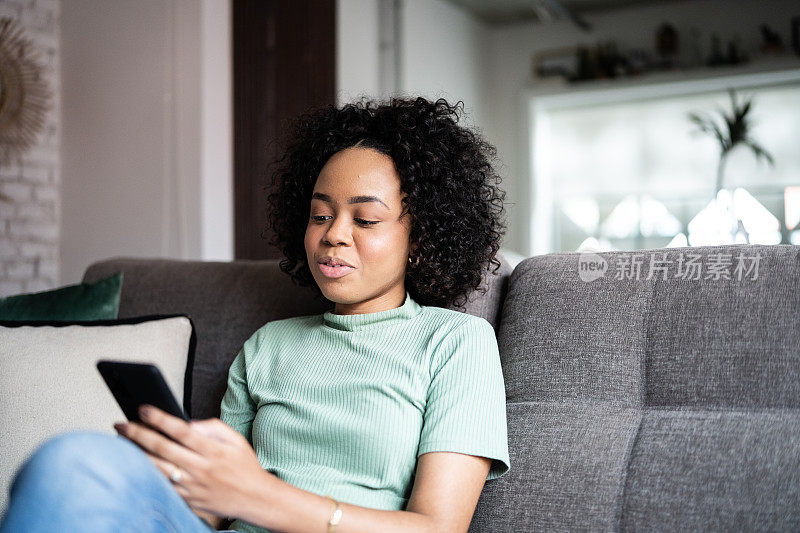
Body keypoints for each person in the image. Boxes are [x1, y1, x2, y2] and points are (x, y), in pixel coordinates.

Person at [0, 96, 510, 533]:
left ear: (419, 238)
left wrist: (256, 496)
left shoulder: (455, 342)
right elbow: (215, 510)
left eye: (367, 218)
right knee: (69, 462)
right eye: (321, 214)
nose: (334, 234)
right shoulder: (270, 344)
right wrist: (181, 469)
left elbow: (438, 527)